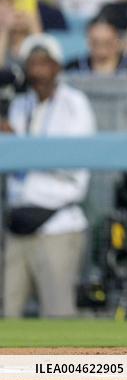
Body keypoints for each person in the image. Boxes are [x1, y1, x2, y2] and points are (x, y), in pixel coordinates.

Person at [3, 34, 96, 318]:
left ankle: (64, 366)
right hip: (17, 221)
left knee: (58, 315)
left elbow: (74, 160)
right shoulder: (20, 105)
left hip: (57, 222)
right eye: (32, 63)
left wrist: (18, 145)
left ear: (57, 67)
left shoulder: (74, 103)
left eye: (45, 63)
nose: (38, 69)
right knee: (9, 314)